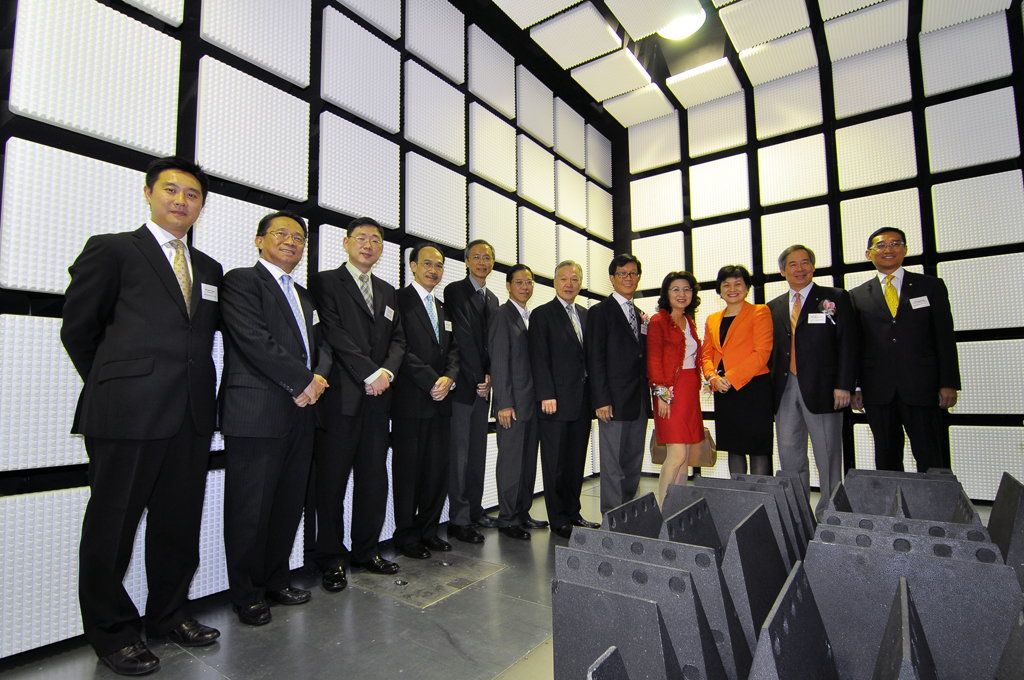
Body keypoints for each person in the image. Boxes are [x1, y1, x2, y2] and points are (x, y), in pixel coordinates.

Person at [61, 157, 223, 676]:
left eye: (192, 194)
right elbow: (79, 330)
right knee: (113, 527)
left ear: (201, 205)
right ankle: (112, 633)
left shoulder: (210, 269)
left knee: (178, 524)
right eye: (171, 190)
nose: (181, 200)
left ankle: (170, 614)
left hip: (192, 414)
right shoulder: (112, 250)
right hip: (128, 414)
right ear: (149, 193)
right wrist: (119, 384)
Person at [219, 211, 331, 626]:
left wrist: (319, 379)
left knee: (288, 503)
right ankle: (246, 592)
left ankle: (275, 579)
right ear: (259, 240)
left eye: (298, 237)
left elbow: (324, 345)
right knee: (250, 507)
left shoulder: (304, 296)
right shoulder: (241, 282)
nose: (291, 241)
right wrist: (303, 382)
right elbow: (253, 340)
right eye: (281, 234)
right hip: (257, 412)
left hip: (303, 413)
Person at [309, 217, 405, 592]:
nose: (369, 245)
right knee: (331, 483)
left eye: (376, 240)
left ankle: (367, 551)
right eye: (361, 238)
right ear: (346, 243)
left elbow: (399, 339)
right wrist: (370, 374)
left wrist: (388, 375)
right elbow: (333, 333)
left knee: (373, 479)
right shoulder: (325, 283)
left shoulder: (387, 290)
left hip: (379, 402)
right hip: (340, 400)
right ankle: (330, 558)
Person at [850, 227, 960, 472]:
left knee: (930, 454)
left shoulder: (930, 286)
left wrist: (948, 382)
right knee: (887, 457)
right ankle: (892, 508)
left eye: (895, 243)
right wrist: (855, 385)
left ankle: (936, 508)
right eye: (881, 245)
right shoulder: (856, 296)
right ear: (869, 254)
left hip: (922, 386)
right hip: (878, 390)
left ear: (905, 250)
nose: (888, 249)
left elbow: (944, 337)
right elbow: (855, 346)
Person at [768, 246, 857, 516]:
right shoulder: (774, 307)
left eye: (805, 262)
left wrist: (845, 385)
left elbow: (849, 344)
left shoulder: (836, 298)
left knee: (827, 456)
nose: (799, 268)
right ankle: (797, 515)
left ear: (813, 266)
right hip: (784, 390)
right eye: (792, 264)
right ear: (783, 271)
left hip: (825, 389)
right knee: (789, 455)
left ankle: (830, 515)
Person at [391, 243, 460, 559]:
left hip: (442, 401)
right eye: (428, 264)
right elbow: (398, 348)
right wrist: (431, 380)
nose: (434, 270)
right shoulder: (398, 301)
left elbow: (455, 349)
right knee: (409, 473)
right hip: (411, 401)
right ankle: (406, 537)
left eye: (439, 265)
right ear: (413, 265)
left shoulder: (444, 308)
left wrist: (449, 377)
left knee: (436, 471)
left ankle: (429, 530)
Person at [529, 260, 600, 539]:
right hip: (554, 402)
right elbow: (538, 357)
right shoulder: (542, 314)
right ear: (555, 282)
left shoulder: (585, 314)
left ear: (580, 283)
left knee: (575, 461)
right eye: (564, 279)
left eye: (574, 279)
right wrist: (546, 394)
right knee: (555, 463)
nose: (569, 283)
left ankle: (573, 512)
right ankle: (558, 519)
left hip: (582, 402)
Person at [443, 239, 501, 544]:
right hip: (464, 387)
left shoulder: (493, 299)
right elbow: (463, 338)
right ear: (466, 261)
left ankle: (476, 509)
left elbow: (492, 342)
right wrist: (479, 377)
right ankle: (459, 519)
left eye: (487, 257)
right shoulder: (455, 291)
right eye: (476, 257)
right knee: (461, 455)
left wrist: (490, 375)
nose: (482, 262)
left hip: (484, 386)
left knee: (478, 452)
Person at [586, 254, 649, 514]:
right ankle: (612, 514)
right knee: (612, 463)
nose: (628, 278)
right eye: (622, 274)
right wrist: (601, 400)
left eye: (633, 273)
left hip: (639, 400)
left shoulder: (640, 314)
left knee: (633, 459)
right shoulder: (599, 312)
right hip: (612, 399)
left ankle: (628, 510)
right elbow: (594, 358)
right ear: (612, 279)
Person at [489, 264, 548, 539]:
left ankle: (522, 512)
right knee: (511, 463)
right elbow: (499, 362)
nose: (525, 287)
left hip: (532, 404)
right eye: (520, 282)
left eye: (529, 282)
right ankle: (508, 518)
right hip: (511, 405)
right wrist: (503, 403)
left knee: (527, 463)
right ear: (508, 286)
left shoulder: (530, 317)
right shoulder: (503, 315)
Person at [701, 265, 774, 475]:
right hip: (724, 391)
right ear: (719, 289)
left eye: (738, 284)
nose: (732, 289)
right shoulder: (712, 318)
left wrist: (730, 378)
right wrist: (712, 377)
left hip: (754, 389)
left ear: (747, 287)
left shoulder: (760, 312)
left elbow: (762, 352)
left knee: (758, 448)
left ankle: (762, 502)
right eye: (726, 285)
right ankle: (739, 500)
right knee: (733, 447)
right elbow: (707, 353)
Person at [647, 271, 704, 506]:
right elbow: (653, 361)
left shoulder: (689, 321)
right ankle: (662, 507)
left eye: (687, 289)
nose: (682, 294)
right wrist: (661, 394)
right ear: (666, 294)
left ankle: (676, 506)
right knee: (676, 453)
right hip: (670, 391)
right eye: (676, 289)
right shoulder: (658, 321)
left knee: (685, 456)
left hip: (690, 390)